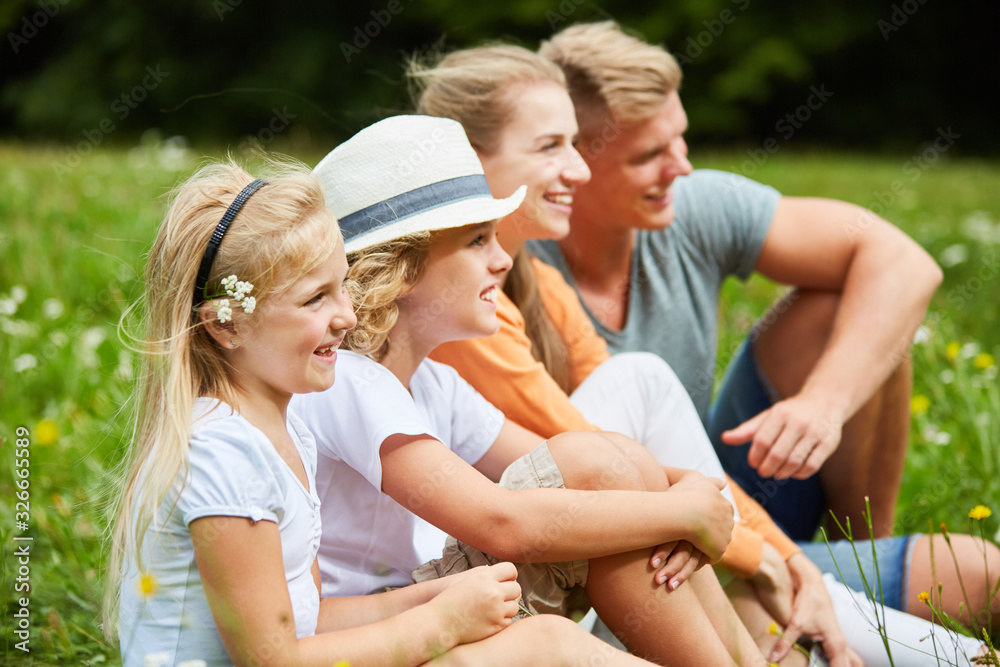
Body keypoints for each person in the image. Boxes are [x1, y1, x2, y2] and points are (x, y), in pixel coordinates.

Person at [410, 43, 987, 665]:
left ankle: (872, 614)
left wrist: (755, 509)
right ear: (467, 161)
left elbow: (901, 262)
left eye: (574, 145)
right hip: (551, 563)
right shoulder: (466, 298)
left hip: (662, 529)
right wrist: (742, 545)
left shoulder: (542, 280)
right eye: (552, 147)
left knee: (976, 574)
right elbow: (585, 457)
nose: (574, 168)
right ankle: (938, 653)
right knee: (642, 401)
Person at [294, 114, 772, 666]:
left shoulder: (433, 384)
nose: (502, 259)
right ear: (400, 269)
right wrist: (683, 514)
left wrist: (687, 488)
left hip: (446, 589)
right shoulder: (347, 381)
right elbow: (502, 524)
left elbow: (607, 465)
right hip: (394, 615)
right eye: (477, 241)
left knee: (616, 461)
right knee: (598, 467)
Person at [102, 159, 609, 667]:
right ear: (226, 326)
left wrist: (432, 598)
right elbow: (272, 659)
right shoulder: (223, 453)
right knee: (539, 647)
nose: (346, 316)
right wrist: (438, 624)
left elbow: (309, 617)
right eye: (314, 299)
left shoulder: (287, 431)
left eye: (342, 285)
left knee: (546, 640)